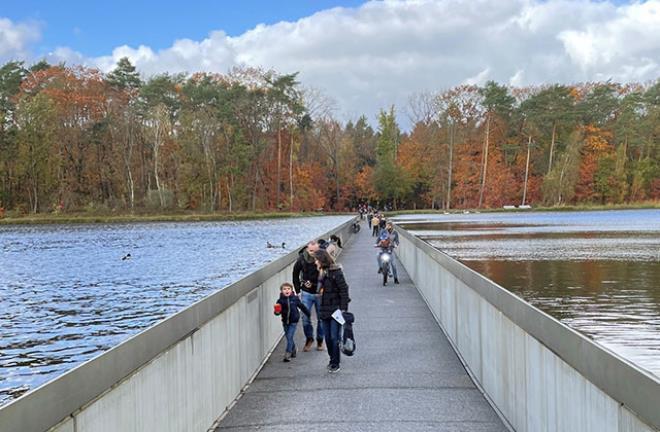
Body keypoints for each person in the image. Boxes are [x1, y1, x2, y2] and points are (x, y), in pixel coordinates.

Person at [315, 249, 350, 373]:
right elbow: (317, 292)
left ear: (322, 260)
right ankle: (332, 358)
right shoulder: (320, 274)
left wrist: (343, 309)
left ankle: (336, 362)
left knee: (335, 337)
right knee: (328, 338)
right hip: (324, 310)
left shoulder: (336, 272)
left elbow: (344, 290)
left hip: (336, 310)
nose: (315, 262)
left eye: (317, 260)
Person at [292, 240, 325, 351]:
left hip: (320, 292)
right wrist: (297, 291)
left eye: (315, 251)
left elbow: (329, 272)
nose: (313, 253)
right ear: (307, 249)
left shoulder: (323, 257)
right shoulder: (301, 259)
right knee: (305, 317)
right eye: (311, 251)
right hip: (306, 292)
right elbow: (295, 274)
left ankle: (320, 340)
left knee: (321, 318)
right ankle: (309, 338)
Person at [274, 282, 310, 362]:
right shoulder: (280, 301)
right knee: (288, 337)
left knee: (289, 336)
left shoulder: (295, 298)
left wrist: (308, 314)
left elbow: (302, 306)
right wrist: (276, 312)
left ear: (291, 290)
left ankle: (288, 353)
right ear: (281, 291)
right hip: (285, 321)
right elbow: (278, 311)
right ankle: (294, 349)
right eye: (284, 289)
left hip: (293, 321)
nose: (287, 290)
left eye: (288, 289)